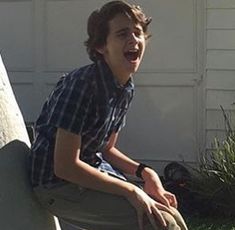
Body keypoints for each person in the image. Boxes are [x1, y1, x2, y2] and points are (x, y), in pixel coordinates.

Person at [28, 1, 188, 230]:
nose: (133, 40)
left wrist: (146, 173)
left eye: (138, 32)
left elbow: (107, 149)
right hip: (55, 185)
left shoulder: (124, 87)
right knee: (157, 223)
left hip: (91, 173)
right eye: (123, 34)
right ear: (102, 46)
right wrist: (132, 190)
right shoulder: (81, 86)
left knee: (171, 215)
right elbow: (64, 166)